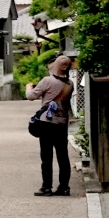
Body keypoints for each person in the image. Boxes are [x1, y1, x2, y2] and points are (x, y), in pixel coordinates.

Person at [29, 55, 76, 196]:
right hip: (61, 123)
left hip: (46, 123)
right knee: (63, 156)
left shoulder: (47, 81)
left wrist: (28, 87)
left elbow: (31, 96)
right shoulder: (70, 83)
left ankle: (47, 187)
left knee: (46, 156)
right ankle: (64, 187)